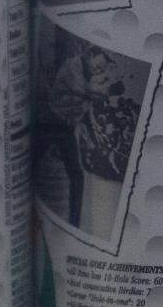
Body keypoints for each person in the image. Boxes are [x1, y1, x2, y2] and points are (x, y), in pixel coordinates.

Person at [40, 41, 115, 228]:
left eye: (101, 70)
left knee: (77, 175)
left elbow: (86, 107)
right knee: (29, 164)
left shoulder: (88, 75)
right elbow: (85, 91)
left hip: (65, 129)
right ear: (89, 55)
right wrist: (109, 90)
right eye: (97, 66)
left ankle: (74, 224)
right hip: (49, 121)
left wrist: (94, 136)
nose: (98, 71)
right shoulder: (71, 67)